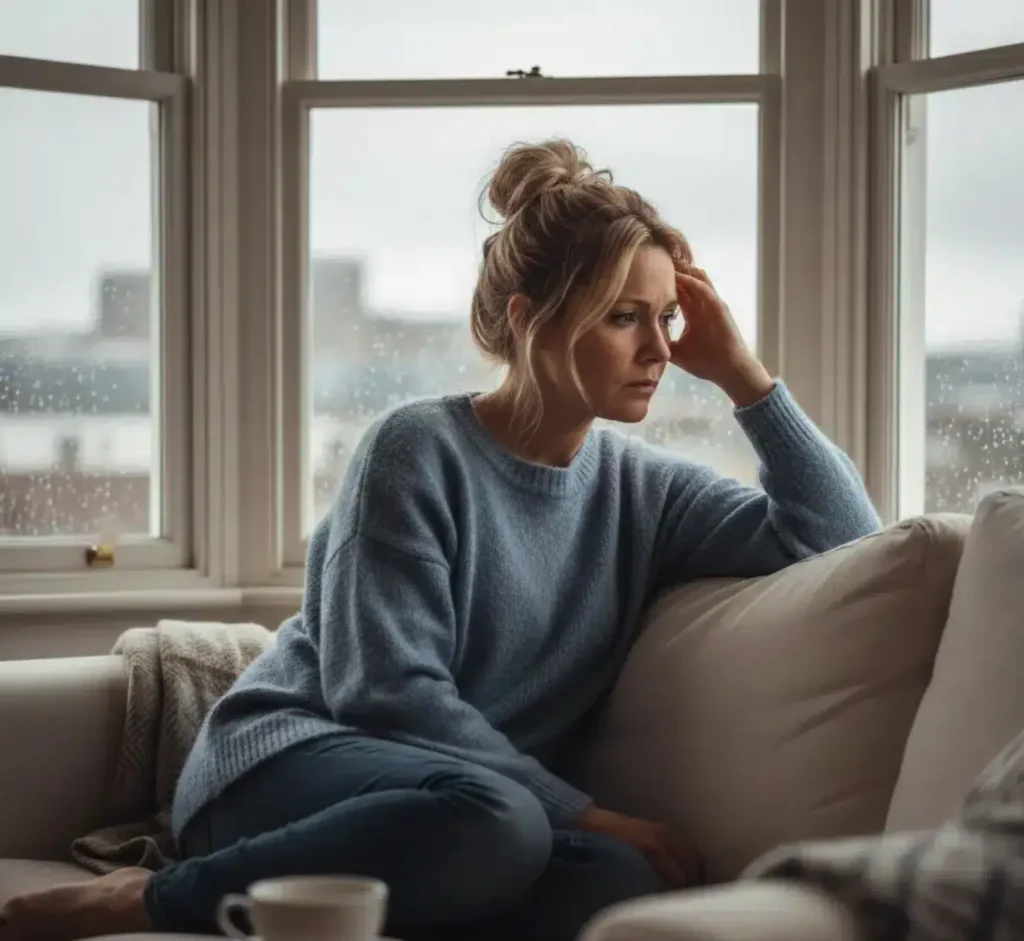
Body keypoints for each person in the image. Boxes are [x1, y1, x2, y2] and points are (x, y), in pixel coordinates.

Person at [0, 140, 881, 941]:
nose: (660, 349)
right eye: (624, 317)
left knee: (616, 878)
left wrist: (742, 373)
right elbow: (386, 693)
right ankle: (151, 897)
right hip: (289, 762)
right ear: (531, 318)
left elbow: (847, 542)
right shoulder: (414, 447)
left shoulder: (643, 488)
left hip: (459, 806)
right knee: (507, 822)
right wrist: (585, 809)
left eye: (669, 320)